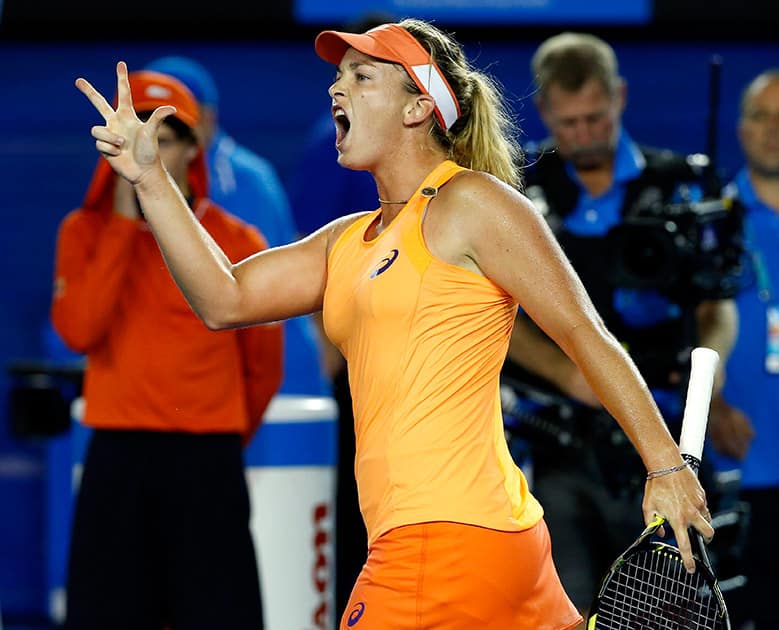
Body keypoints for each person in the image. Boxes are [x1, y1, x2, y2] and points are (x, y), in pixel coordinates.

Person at [74, 19, 715, 629]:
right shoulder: (347, 241)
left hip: (443, 542)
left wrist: (666, 467)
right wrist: (153, 180)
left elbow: (584, 334)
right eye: (338, 77)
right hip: (482, 545)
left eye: (361, 76)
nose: (336, 87)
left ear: (417, 108)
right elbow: (225, 298)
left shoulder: (471, 202)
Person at [501, 31, 738, 622]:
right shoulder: (511, 195)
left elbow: (718, 305)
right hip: (554, 447)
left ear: (620, 97)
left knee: (668, 614)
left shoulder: (684, 185)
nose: (582, 133)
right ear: (545, 110)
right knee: (567, 609)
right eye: (569, 122)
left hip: (664, 439)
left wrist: (708, 380)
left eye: (595, 118)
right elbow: (491, 311)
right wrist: (568, 372)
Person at [52, 69, 282, 630]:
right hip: (117, 460)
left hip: (207, 463)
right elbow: (78, 332)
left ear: (192, 150)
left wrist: (219, 434)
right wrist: (125, 221)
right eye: (133, 136)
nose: (147, 149)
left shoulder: (239, 241)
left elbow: (263, 368)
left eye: (164, 137)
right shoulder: (83, 232)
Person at [144, 55, 330, 397]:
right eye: (146, 117)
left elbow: (246, 298)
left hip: (277, 382)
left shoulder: (245, 182)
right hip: (212, 383)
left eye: (167, 117)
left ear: (206, 120)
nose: (152, 132)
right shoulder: (142, 179)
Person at [708, 69, 779, 629]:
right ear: (739, 128)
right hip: (739, 471)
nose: (773, 130)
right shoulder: (709, 226)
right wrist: (708, 405)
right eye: (761, 116)